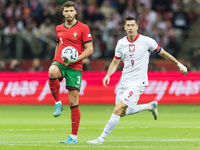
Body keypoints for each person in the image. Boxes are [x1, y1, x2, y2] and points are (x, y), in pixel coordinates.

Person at [87, 16, 187, 145]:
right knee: (121, 113)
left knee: (117, 108)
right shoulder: (121, 43)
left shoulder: (147, 41)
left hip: (138, 83)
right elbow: (115, 62)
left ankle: (100, 139)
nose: (130, 28)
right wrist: (108, 75)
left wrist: (179, 64)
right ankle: (149, 106)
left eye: (132, 25)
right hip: (124, 81)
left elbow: (163, 53)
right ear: (124, 27)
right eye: (128, 25)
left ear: (137, 27)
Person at [48, 1, 93, 144]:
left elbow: (90, 49)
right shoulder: (59, 28)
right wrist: (55, 60)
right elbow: (58, 45)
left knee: (73, 101)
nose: (68, 13)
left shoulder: (83, 28)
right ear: (62, 13)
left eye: (71, 11)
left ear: (75, 12)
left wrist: (75, 59)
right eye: (66, 11)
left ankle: (73, 137)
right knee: (52, 71)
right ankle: (58, 103)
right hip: (60, 62)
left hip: (75, 66)